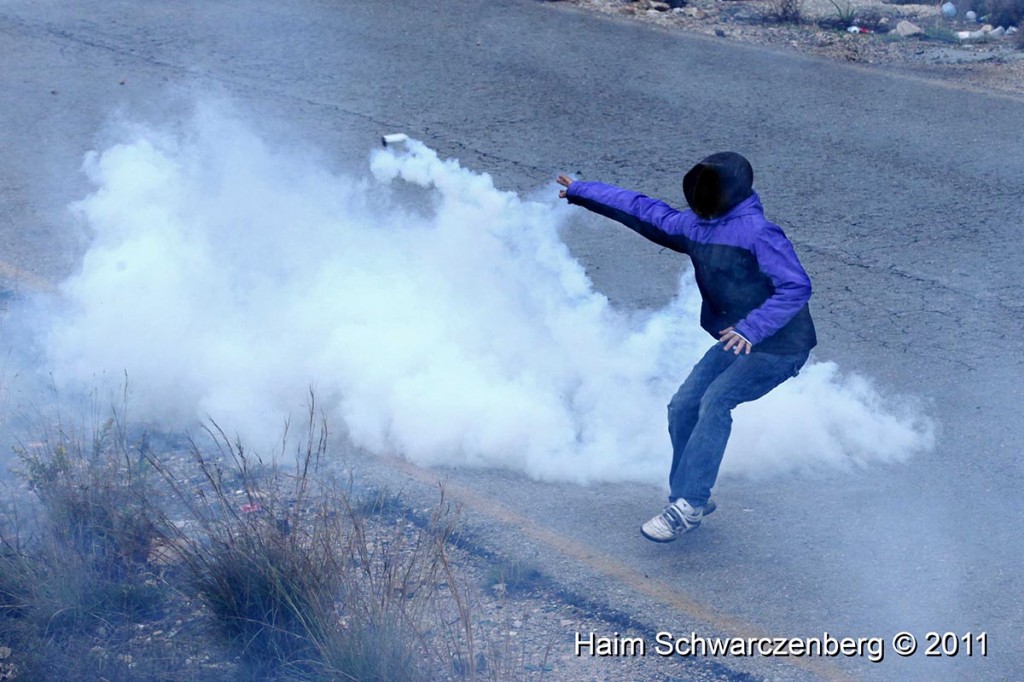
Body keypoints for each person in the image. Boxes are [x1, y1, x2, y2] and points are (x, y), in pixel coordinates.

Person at [557, 152, 816, 542]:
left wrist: (752, 328)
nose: (700, 209)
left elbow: (796, 285)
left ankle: (689, 504)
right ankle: (687, 496)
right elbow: (642, 209)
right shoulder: (695, 224)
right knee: (682, 406)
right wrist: (582, 191)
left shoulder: (759, 233)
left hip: (781, 345)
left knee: (716, 401)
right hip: (739, 339)